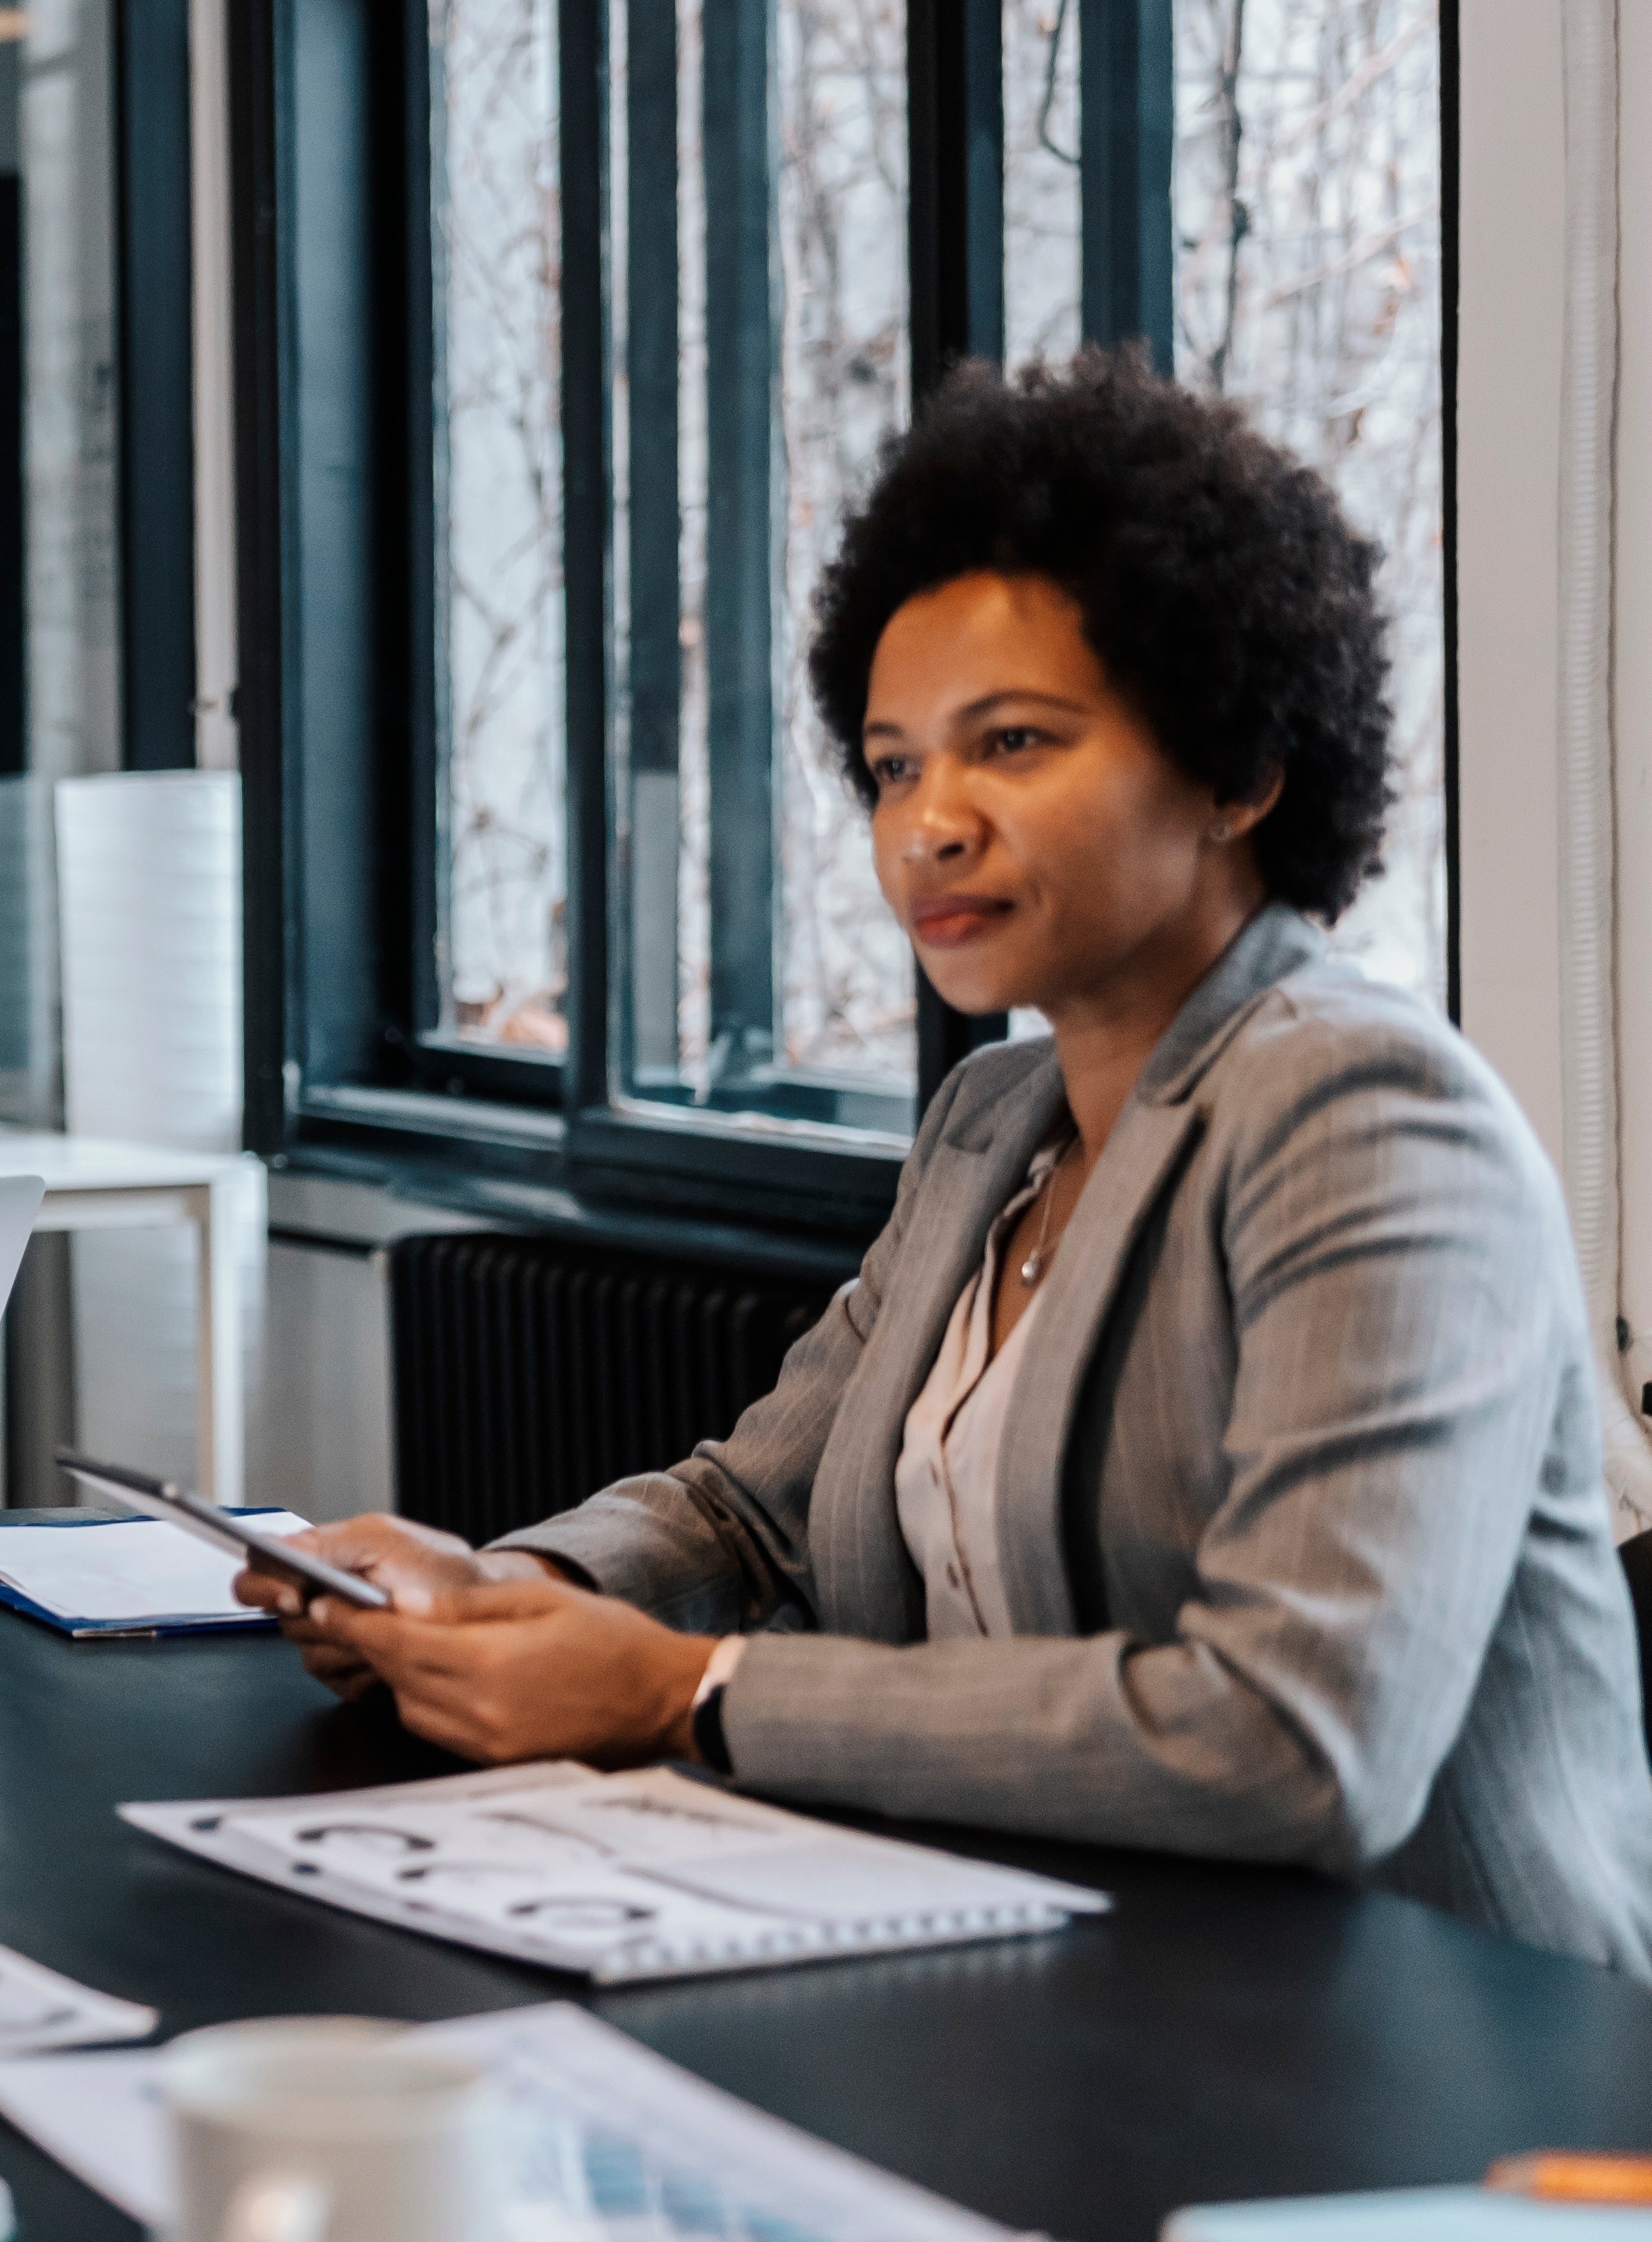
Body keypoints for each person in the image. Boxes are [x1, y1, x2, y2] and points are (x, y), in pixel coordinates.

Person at [242, 352, 1652, 1976]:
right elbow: (753, 1518)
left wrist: (679, 1693)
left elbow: (1296, 1738)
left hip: (1426, 2057)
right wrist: (496, 1591)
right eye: (897, 763)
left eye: (1016, 743)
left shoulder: (1371, 1115)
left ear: (1239, 770)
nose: (930, 823)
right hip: (1066, 1969)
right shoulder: (996, 1118)